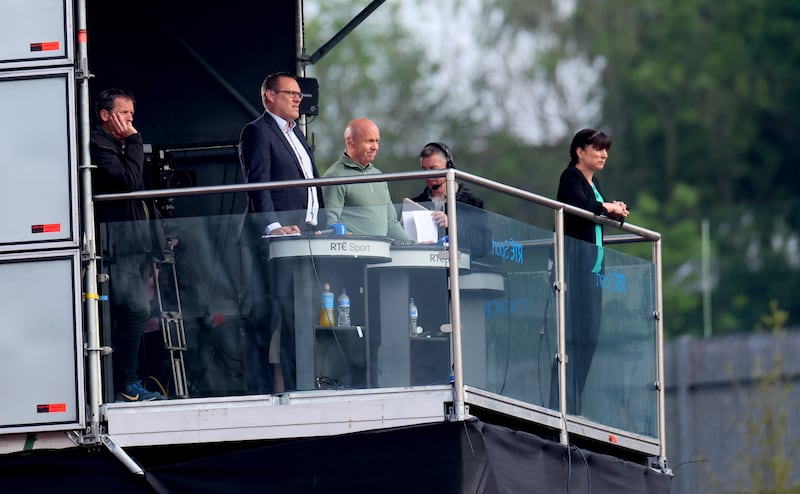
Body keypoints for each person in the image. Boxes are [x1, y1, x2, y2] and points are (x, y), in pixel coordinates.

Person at [238, 72, 324, 393]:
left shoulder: (297, 134)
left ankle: (298, 387)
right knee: (266, 317)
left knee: (296, 317)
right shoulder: (257, 132)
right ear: (269, 96)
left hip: (303, 238)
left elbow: (311, 184)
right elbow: (258, 183)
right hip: (275, 240)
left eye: (300, 95)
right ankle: (258, 393)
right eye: (291, 93)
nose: (298, 99)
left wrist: (319, 224)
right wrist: (273, 227)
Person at [91, 88, 165, 402]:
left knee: (133, 312)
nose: (130, 121)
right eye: (124, 114)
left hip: (136, 246)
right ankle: (126, 384)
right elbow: (128, 182)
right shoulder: (99, 145)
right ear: (105, 115)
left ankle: (125, 383)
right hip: (116, 247)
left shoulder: (119, 146)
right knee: (135, 309)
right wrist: (135, 142)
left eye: (132, 115)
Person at [549, 128, 629, 415]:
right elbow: (580, 206)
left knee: (589, 338)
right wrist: (606, 207)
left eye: (605, 149)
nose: (604, 154)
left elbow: (597, 207)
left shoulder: (594, 183)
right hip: (575, 268)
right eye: (597, 148)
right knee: (573, 337)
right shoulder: (571, 176)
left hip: (593, 271)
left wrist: (616, 208)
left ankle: (574, 402)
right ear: (580, 151)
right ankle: (562, 403)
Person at [322, 118, 411, 242]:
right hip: (352, 257)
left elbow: (391, 223)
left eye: (377, 141)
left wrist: (417, 245)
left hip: (381, 255)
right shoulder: (335, 177)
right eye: (369, 141)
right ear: (350, 142)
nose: (375, 147)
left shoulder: (378, 176)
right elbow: (330, 226)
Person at [411, 142, 489, 257]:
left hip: (460, 271)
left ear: (449, 168)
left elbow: (483, 246)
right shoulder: (414, 204)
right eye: (424, 169)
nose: (428, 175)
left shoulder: (472, 204)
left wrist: (453, 226)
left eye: (433, 169)